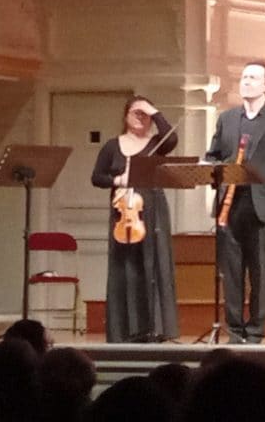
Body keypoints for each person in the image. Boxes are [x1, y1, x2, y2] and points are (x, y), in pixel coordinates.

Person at [205, 60, 265, 344]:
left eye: (254, 78)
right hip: (230, 205)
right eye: (244, 77)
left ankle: (255, 332)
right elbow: (213, 155)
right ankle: (235, 331)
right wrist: (209, 165)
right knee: (231, 273)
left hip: (261, 206)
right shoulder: (227, 118)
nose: (246, 81)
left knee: (259, 273)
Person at [90, 95, 179, 343]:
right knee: (125, 268)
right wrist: (118, 180)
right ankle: (124, 330)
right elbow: (97, 177)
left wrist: (154, 111)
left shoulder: (156, 144)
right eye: (136, 113)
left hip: (152, 210)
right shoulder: (112, 146)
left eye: (145, 115)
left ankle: (155, 328)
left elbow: (172, 138)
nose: (141, 118)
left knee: (153, 265)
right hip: (123, 213)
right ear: (125, 116)